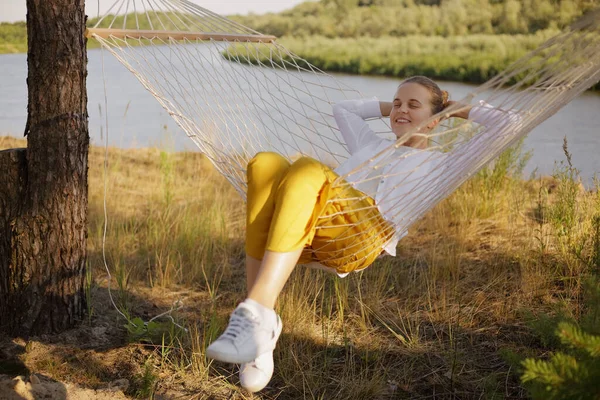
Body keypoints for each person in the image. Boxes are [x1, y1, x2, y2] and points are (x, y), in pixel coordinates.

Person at [205, 76, 520, 392]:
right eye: (397, 103)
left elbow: (510, 124)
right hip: (312, 228)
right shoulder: (370, 145)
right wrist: (392, 109)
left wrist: (458, 110)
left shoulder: (443, 167)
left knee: (306, 169)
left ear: (434, 120)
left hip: (362, 238)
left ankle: (256, 314)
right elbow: (343, 109)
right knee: (265, 163)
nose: (401, 110)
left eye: (413, 105)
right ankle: (258, 321)